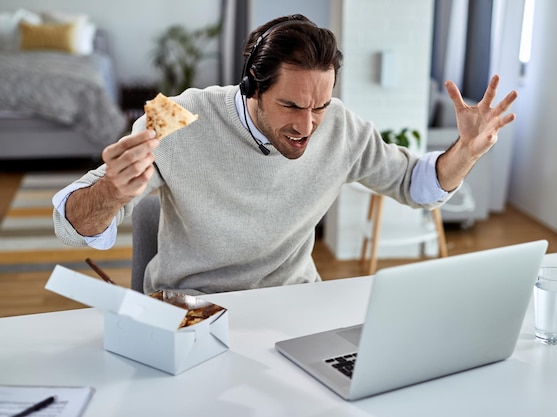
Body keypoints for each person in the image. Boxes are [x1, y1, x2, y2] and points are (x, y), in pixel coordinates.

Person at [53, 14, 517, 295]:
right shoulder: (178, 113)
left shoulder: (338, 126)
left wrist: (467, 152)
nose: (309, 125)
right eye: (291, 106)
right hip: (191, 310)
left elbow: (415, 184)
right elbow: (69, 224)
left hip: (293, 305)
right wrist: (112, 191)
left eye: (320, 104)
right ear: (252, 87)